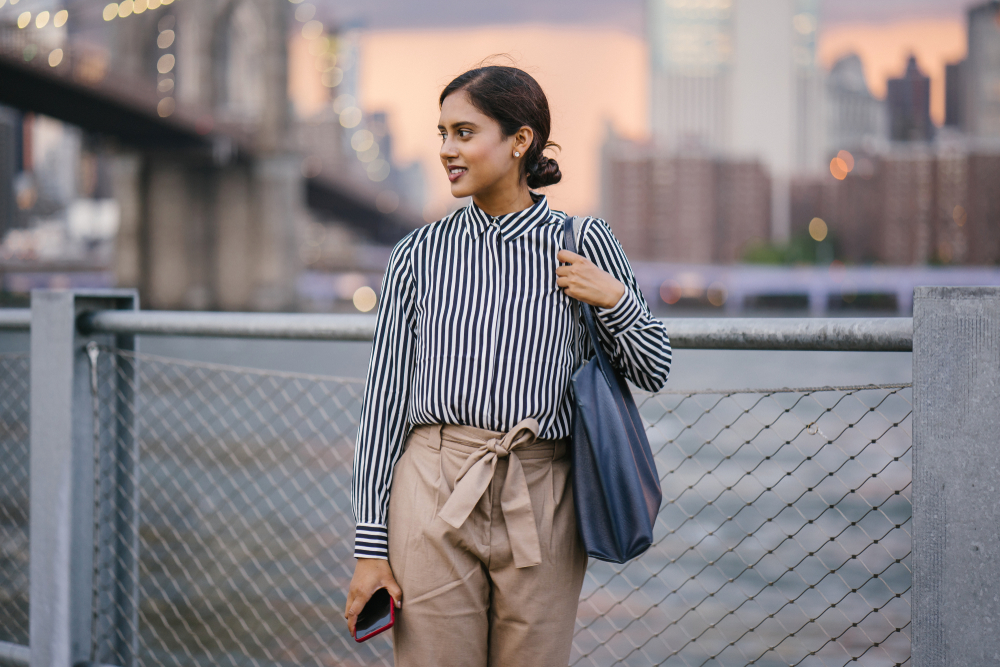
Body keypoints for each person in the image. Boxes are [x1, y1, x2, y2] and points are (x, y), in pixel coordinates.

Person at [344, 64, 672, 666]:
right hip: (433, 489)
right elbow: (382, 406)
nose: (447, 150)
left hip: (544, 494)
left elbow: (655, 368)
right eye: (442, 133)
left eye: (464, 133)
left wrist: (616, 301)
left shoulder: (584, 241)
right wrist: (371, 548)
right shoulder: (416, 255)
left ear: (520, 141)